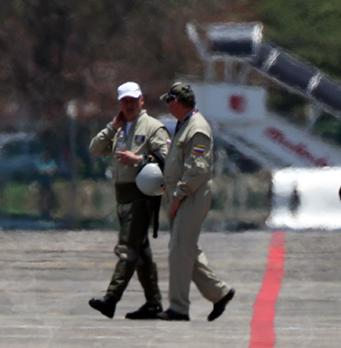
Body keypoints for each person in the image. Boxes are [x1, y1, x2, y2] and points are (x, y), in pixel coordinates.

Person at [88, 82, 170, 320]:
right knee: (141, 251)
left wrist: (139, 159)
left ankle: (111, 298)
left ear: (141, 100)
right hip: (122, 196)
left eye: (133, 100)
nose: (130, 105)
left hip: (141, 196)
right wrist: (112, 127)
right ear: (120, 104)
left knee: (127, 249)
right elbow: (96, 148)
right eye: (125, 101)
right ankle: (153, 302)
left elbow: (166, 158)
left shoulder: (154, 127)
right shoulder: (120, 128)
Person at [156, 82, 235, 321]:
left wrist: (179, 195)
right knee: (187, 250)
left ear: (176, 103)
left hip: (192, 195)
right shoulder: (185, 125)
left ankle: (179, 307)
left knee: (179, 251)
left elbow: (198, 170)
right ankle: (219, 293)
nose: (167, 106)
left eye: (168, 102)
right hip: (182, 194)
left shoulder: (197, 128)